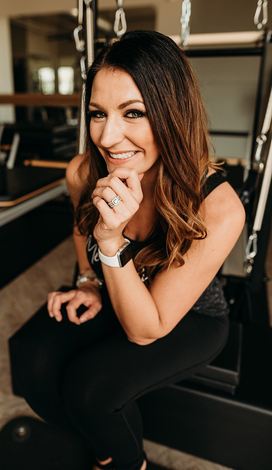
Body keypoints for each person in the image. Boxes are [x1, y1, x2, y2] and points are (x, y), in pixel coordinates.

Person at [14, 30, 245, 470]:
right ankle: (104, 452)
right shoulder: (83, 171)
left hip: (187, 316)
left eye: (133, 112)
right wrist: (87, 280)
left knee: (92, 390)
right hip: (118, 289)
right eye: (98, 113)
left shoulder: (219, 207)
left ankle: (128, 464)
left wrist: (111, 241)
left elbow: (147, 327)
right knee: (35, 362)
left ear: (173, 114)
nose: (108, 136)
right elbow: (82, 229)